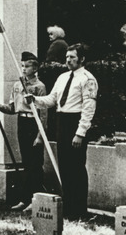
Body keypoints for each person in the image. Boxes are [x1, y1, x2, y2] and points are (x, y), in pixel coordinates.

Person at [25, 43, 98, 221]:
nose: (68, 60)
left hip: (76, 122)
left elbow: (89, 108)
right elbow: (52, 99)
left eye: (73, 57)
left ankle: (80, 210)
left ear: (82, 59)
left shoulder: (88, 79)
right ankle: (68, 207)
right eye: (67, 57)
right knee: (64, 167)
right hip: (62, 122)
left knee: (77, 168)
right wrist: (35, 100)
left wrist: (80, 133)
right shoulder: (62, 77)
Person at [0, 52, 46, 212]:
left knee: (36, 164)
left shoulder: (39, 87)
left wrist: (40, 135)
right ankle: (25, 199)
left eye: (27, 66)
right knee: (26, 163)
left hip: (34, 124)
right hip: (22, 123)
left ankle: (36, 199)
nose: (24, 69)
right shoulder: (17, 85)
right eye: (22, 66)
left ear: (35, 68)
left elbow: (44, 114)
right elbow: (13, 108)